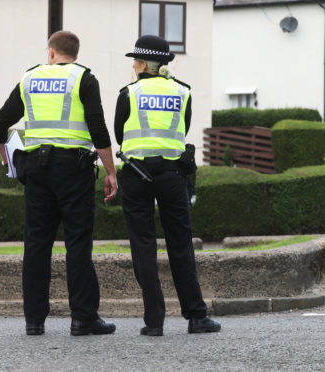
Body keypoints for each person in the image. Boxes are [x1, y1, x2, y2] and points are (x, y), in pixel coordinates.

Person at [0, 31, 118, 336]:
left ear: (51, 52)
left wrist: (7, 160)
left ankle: (34, 321)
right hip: (74, 170)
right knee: (77, 242)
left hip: (36, 171)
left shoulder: (29, 79)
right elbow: (98, 128)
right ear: (75, 53)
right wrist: (111, 172)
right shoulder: (84, 79)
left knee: (36, 245)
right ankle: (83, 318)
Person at [114, 35, 220, 336]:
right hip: (173, 175)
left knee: (143, 246)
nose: (133, 65)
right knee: (181, 244)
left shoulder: (129, 93)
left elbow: (120, 134)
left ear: (145, 64)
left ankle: (154, 320)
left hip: (136, 174)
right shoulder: (183, 92)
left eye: (135, 61)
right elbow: (182, 129)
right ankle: (197, 316)